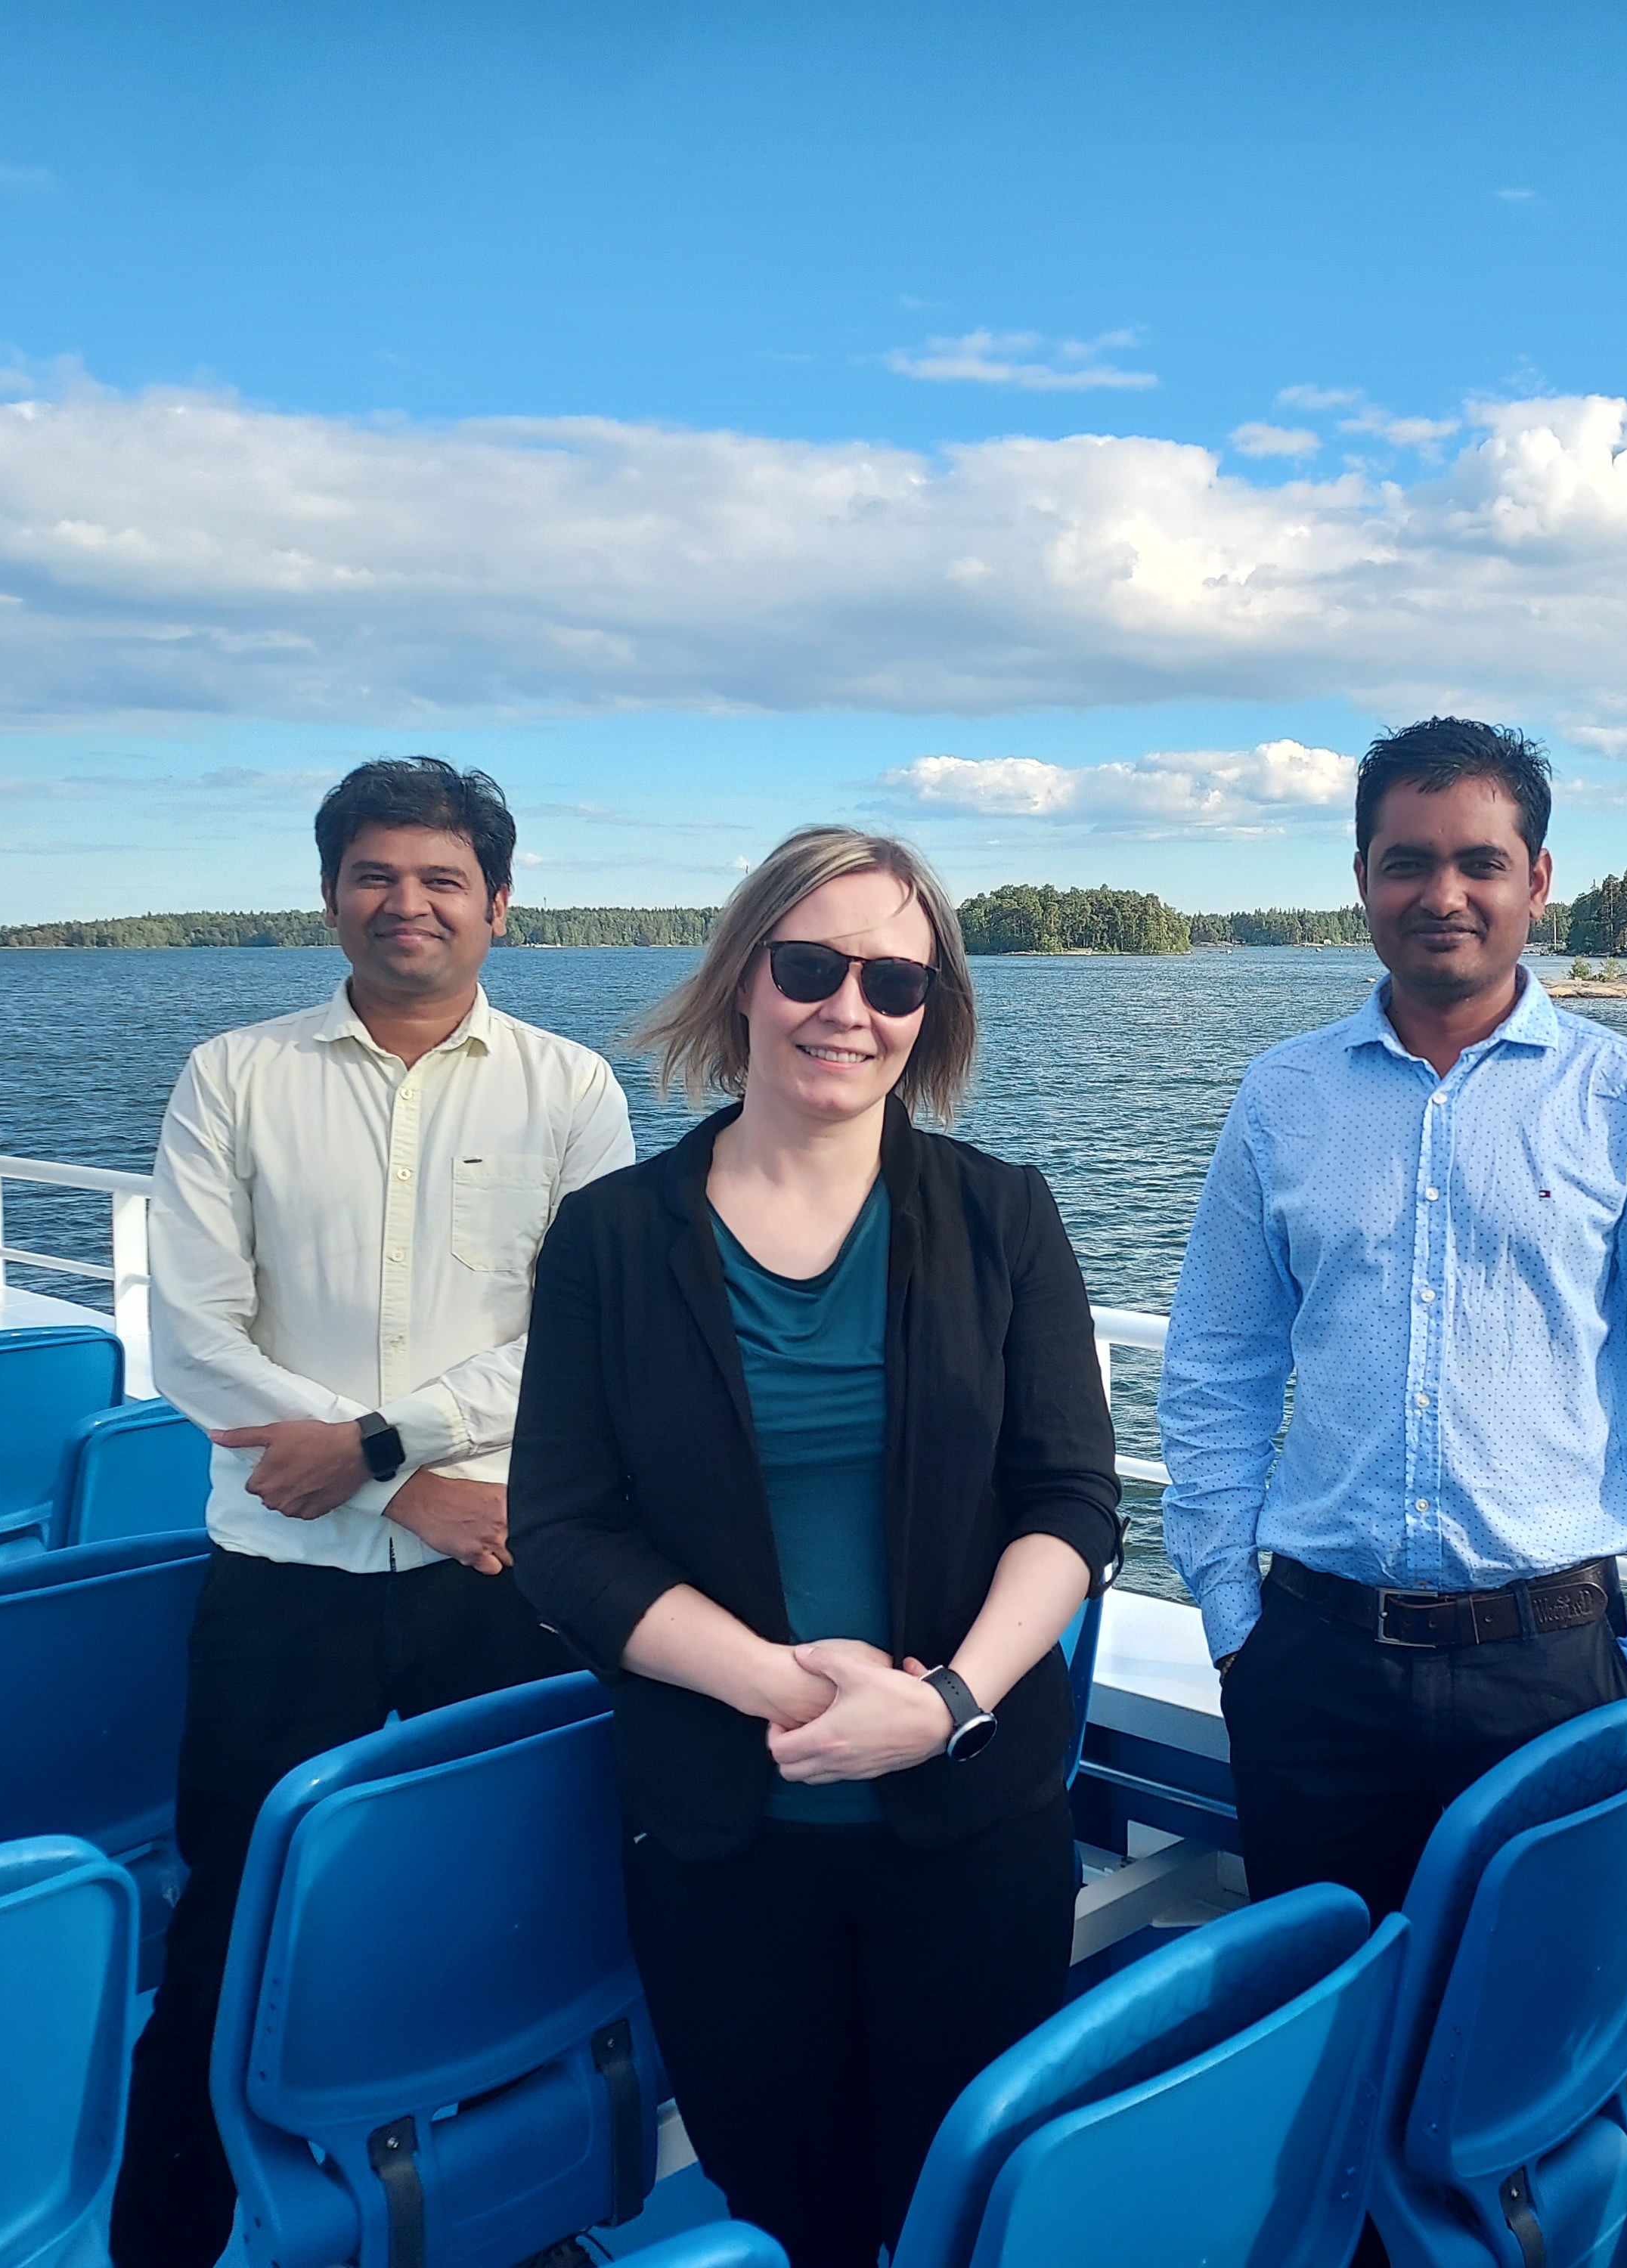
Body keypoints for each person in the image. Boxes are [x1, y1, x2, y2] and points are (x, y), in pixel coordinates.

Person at [510, 826, 1120, 2268]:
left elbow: (1075, 1503)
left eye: (895, 983)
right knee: (787, 2203)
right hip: (726, 1838)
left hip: (974, 1827)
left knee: (959, 2205)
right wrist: (785, 1690)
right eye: (810, 965)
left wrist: (949, 1703)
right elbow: (561, 1533)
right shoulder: (609, 1239)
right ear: (742, 981)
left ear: (930, 1017)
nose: (850, 1008)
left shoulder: (1003, 1217)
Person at [113, 758, 637, 2268]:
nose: (406, 904)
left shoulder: (568, 1090)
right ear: (331, 890)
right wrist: (401, 1480)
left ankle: (501, 2221)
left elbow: (584, 1336)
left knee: (497, 1908)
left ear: (498, 905)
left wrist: (384, 1444)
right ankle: (174, 2232)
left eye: (441, 879)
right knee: (235, 1928)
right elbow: (196, 1331)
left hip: (493, 1578)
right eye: (374, 875)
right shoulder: (236, 1075)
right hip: (284, 1575)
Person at [1159, 717, 1627, 1926]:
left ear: (1538, 882)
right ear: (1362, 879)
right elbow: (1219, 1364)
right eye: (1406, 861)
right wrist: (1235, 1627)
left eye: (1480, 862)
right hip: (1313, 1664)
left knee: (1537, 2036)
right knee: (1322, 2021)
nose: (1441, 893)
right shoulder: (1284, 1095)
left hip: (1557, 1667)